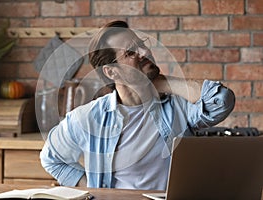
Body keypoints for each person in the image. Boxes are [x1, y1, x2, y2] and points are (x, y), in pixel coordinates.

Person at [40, 20, 235, 190]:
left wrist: (162, 82)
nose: (144, 52)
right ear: (112, 72)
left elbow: (221, 101)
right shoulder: (88, 118)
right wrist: (94, 191)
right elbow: (51, 159)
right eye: (131, 52)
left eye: (141, 44)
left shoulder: (178, 107)